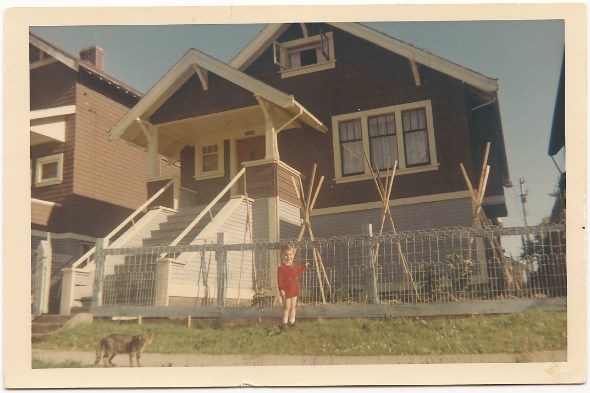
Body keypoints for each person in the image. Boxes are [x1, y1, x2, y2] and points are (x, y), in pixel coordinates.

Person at [277, 245, 309, 329]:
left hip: (294, 289)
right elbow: (280, 280)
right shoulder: (281, 268)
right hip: (287, 291)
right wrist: (281, 289)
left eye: (290, 254)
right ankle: (284, 323)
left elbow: (298, 272)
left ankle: (292, 322)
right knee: (287, 307)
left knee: (293, 306)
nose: (288, 257)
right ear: (282, 256)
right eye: (286, 255)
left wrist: (304, 267)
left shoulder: (294, 266)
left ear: (293, 255)